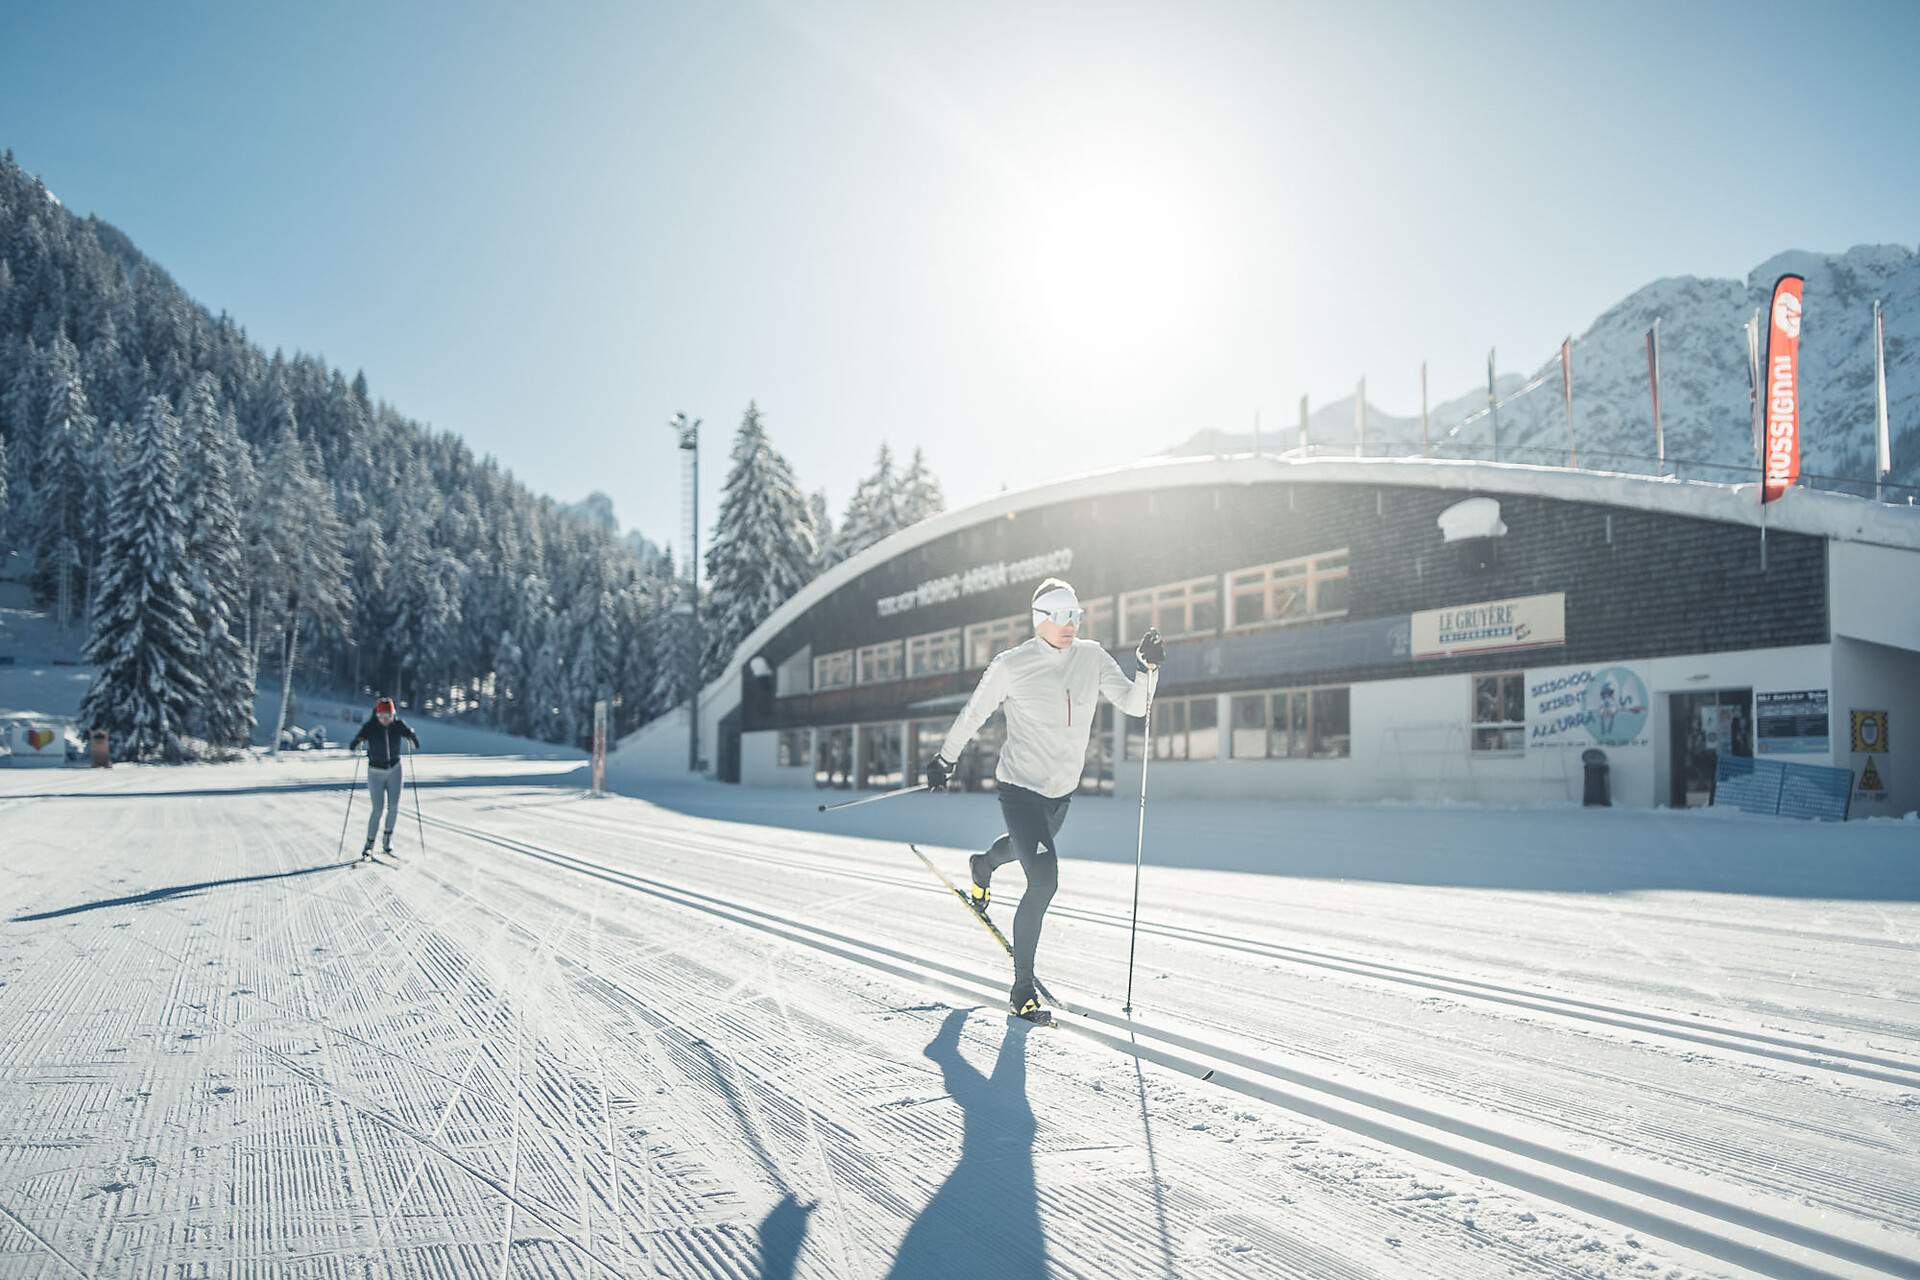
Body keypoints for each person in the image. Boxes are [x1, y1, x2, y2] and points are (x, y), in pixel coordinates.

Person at [923, 578, 1163, 1023]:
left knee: (1023, 849)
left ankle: (983, 865)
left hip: (1059, 793)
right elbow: (974, 712)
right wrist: (944, 758)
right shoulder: (1013, 665)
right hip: (1019, 789)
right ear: (1040, 620)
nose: (1070, 624)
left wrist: (1148, 669)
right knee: (1045, 877)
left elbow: (1134, 704)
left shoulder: (1092, 657)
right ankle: (1021, 988)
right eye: (1061, 615)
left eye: (1076, 615)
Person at [349, 698, 420, 858]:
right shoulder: (370, 726)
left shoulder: (397, 725)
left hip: (394, 769)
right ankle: (369, 843)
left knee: (394, 806)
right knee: (378, 809)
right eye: (382, 715)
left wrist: (412, 737)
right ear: (377, 714)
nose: (386, 719)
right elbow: (357, 739)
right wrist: (356, 742)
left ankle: (387, 839)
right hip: (375, 771)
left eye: (389, 715)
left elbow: (412, 736)